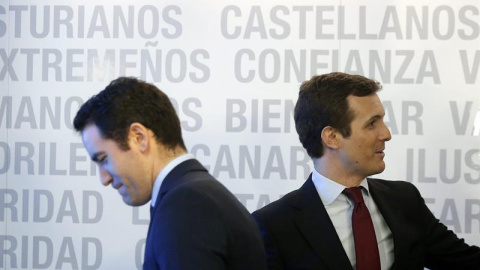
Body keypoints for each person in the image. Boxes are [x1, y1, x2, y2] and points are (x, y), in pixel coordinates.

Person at [252, 72, 480, 270]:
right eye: (372, 123)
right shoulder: (273, 226)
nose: (386, 134)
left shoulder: (404, 200)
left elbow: (467, 262)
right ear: (332, 137)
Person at [74, 77, 267, 270]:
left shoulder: (187, 204)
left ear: (138, 137)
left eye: (103, 159)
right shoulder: (190, 195)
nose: (104, 179)